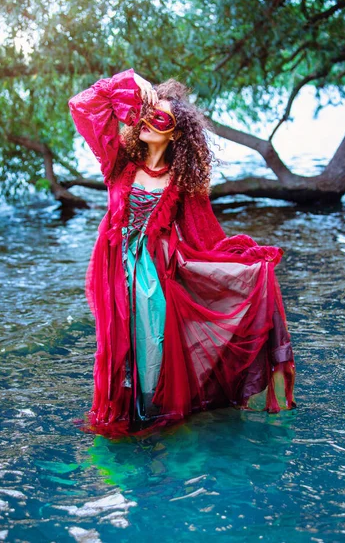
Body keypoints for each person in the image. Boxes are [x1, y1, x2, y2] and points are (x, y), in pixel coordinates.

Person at [68, 68, 296, 438]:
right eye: (144, 112)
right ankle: (128, 420)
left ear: (174, 132)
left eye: (158, 118)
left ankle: (154, 421)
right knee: (116, 350)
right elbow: (82, 107)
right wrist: (128, 82)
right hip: (114, 275)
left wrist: (248, 271)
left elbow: (205, 239)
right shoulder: (118, 163)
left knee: (152, 348)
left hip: (156, 281)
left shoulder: (181, 183)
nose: (145, 121)